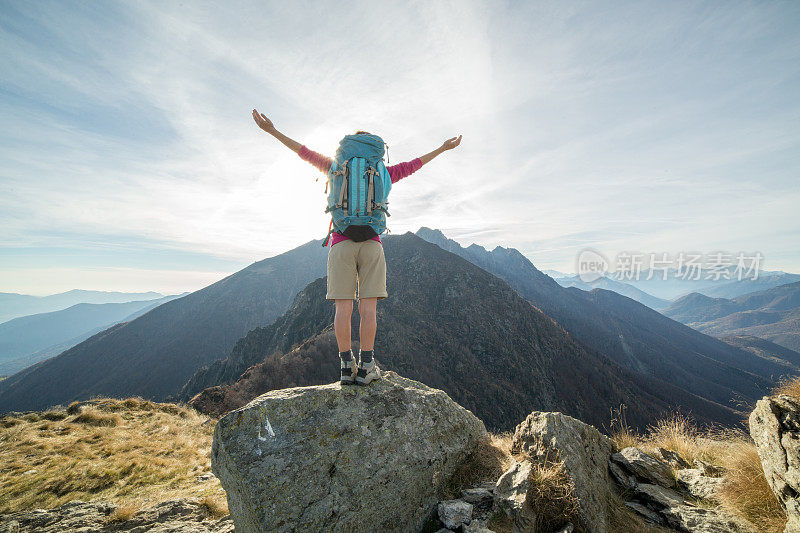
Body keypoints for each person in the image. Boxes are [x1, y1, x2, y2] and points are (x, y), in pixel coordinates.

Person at [252, 109, 461, 386]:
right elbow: (414, 164)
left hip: (340, 242)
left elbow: (303, 152)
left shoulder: (335, 166)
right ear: (374, 151)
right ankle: (366, 367)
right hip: (372, 243)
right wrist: (443, 148)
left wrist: (273, 131)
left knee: (342, 309)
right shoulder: (383, 171)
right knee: (368, 310)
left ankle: (345, 366)